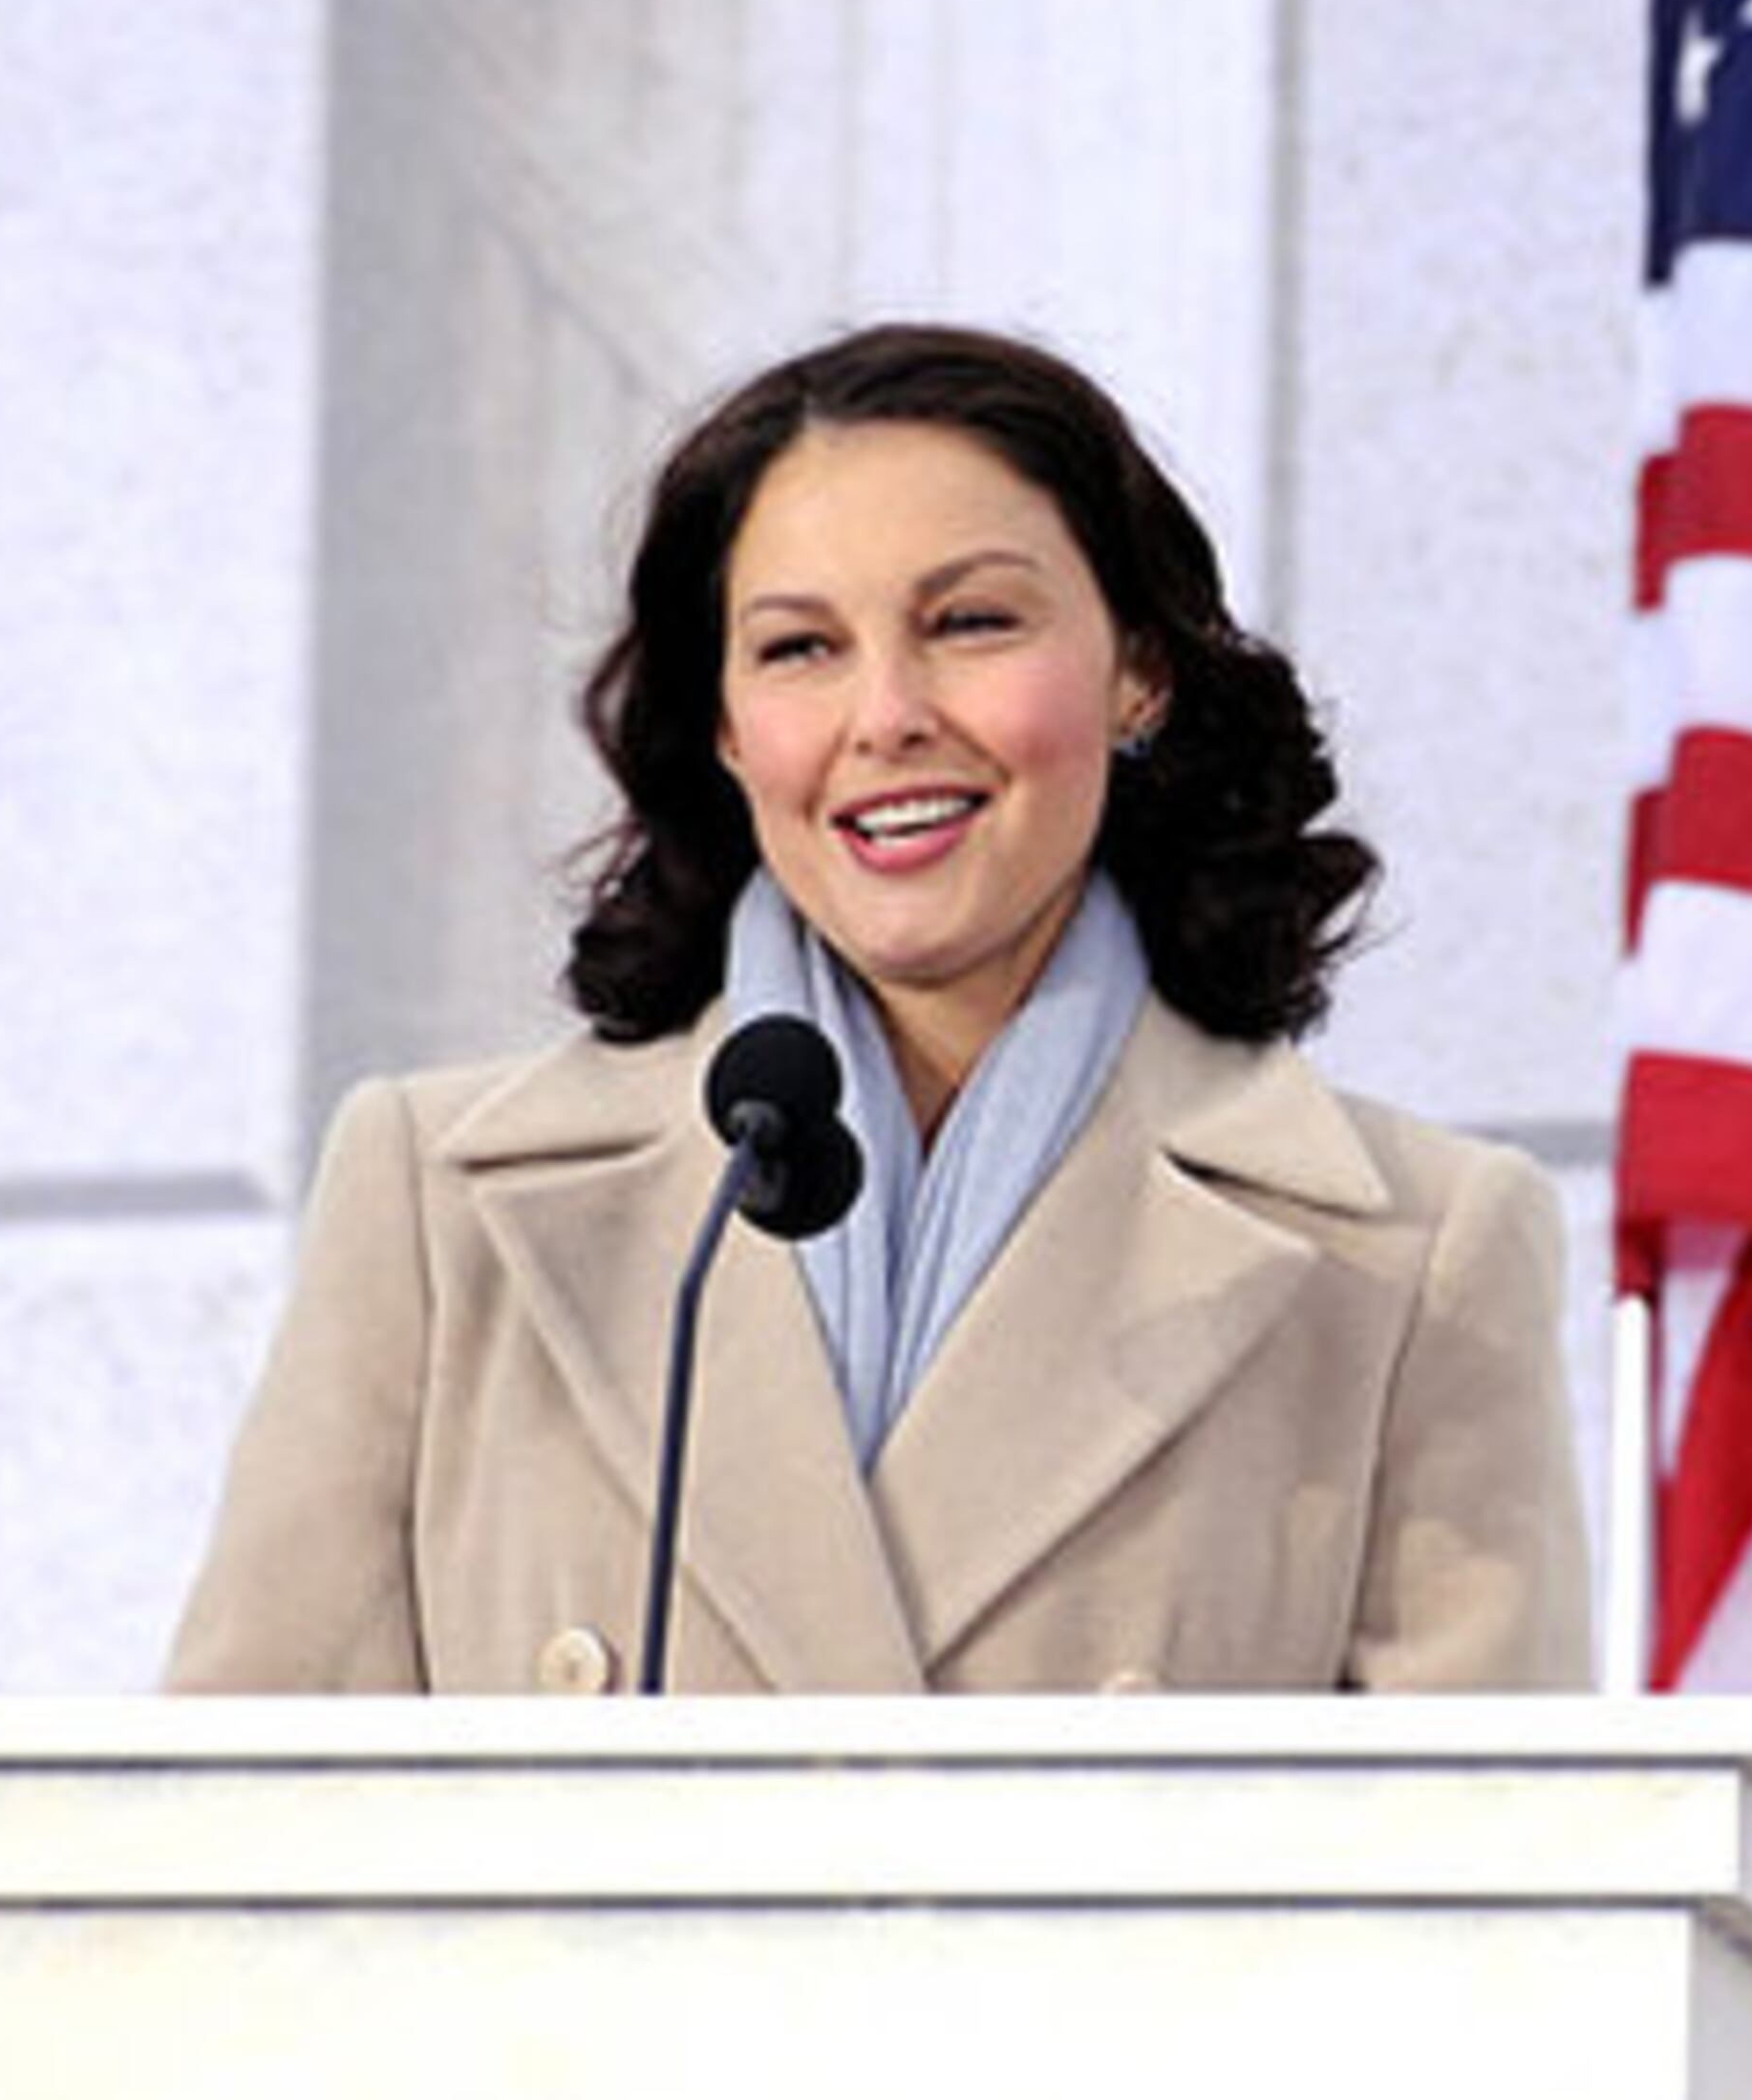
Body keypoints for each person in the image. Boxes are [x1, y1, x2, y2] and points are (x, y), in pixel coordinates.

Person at [168, 323, 1591, 1696]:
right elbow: (241, 1860)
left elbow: (1505, 1907)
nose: (888, 714)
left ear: (1139, 673)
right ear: (725, 725)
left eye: (971, 622)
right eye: (799, 648)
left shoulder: (1414, 1254)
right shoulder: (440, 1202)